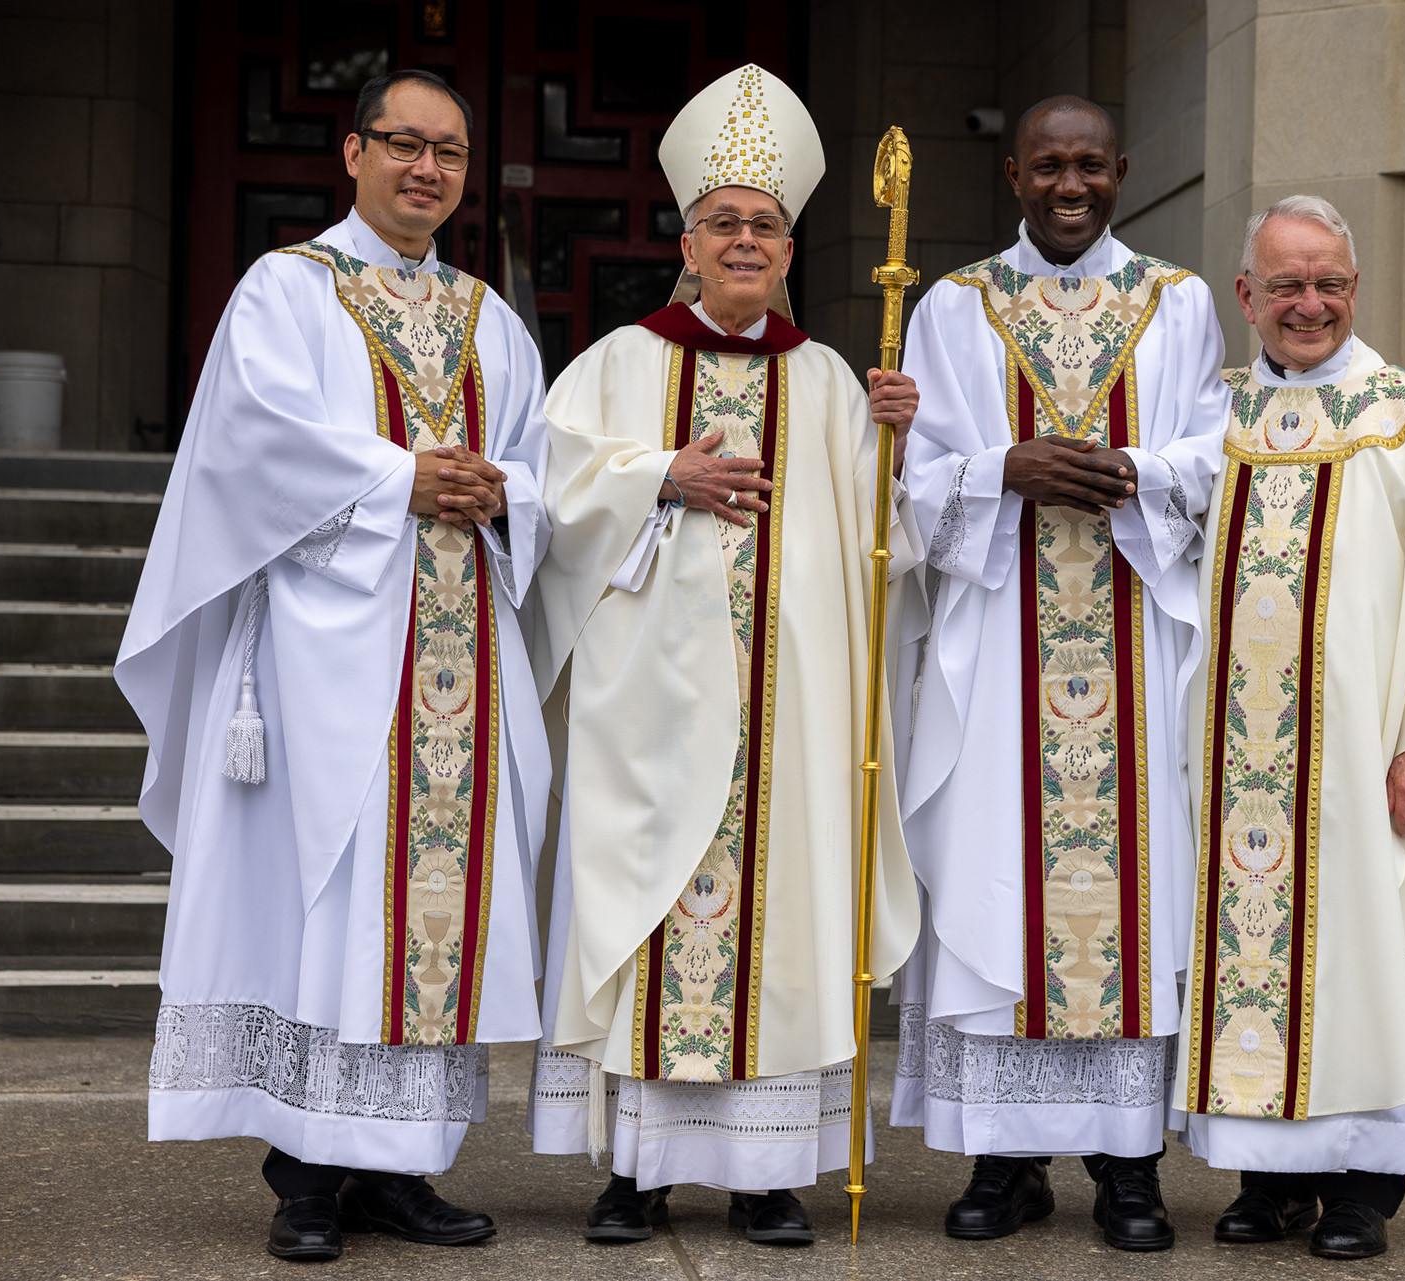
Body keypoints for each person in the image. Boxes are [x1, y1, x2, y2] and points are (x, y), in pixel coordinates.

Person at [118, 70, 552, 1263]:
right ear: (352, 152)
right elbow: (248, 447)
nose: (426, 169)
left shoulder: (490, 318)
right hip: (324, 661)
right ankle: (307, 1176)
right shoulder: (287, 291)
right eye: (403, 144)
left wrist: (511, 496)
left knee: (428, 923)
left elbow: (539, 470)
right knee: (330, 910)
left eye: (449, 152)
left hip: (461, 663)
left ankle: (400, 1171)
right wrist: (399, 480)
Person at [525, 64, 922, 1249]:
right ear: (686, 244)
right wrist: (665, 476)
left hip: (791, 721)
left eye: (766, 227)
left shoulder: (837, 383)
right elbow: (553, 507)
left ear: (791, 251)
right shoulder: (612, 367)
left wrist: (903, 442)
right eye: (723, 225)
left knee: (785, 929)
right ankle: (634, 1174)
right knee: (644, 919)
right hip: (647, 715)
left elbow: (885, 554)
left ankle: (768, 1175)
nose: (744, 242)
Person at [888, 95, 1231, 1253]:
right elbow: (913, 484)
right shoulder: (952, 305)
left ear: (1121, 171)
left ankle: (1127, 1168)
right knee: (998, 889)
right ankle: (1005, 1160)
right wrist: (1002, 468)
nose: (1069, 184)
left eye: (1089, 165)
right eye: (1049, 166)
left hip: (1133, 644)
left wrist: (1130, 470)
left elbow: (1216, 455)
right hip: (998, 659)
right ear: (1012, 174)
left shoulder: (1179, 305)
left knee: (1131, 899)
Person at [1173, 194, 1405, 1260]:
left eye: (1329, 282)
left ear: (1356, 289)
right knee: (1246, 951)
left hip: (1375, 760)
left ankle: (1368, 1188)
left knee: (1380, 958)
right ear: (1247, 295)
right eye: (1285, 284)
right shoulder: (1212, 420)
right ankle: (1266, 1180)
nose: (1309, 304)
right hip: (1238, 766)